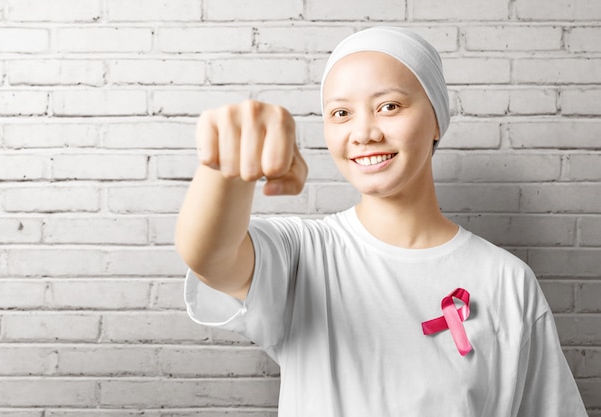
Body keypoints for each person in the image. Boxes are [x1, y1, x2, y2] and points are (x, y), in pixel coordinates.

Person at [175, 27, 588, 416]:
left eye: (389, 106)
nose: (363, 133)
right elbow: (209, 255)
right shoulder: (301, 254)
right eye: (340, 113)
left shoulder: (508, 281)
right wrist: (224, 167)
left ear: (437, 120)